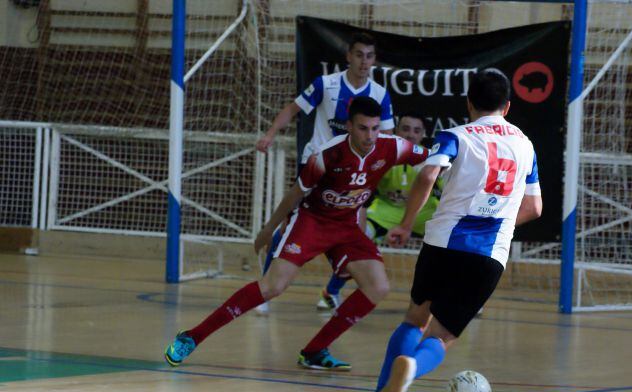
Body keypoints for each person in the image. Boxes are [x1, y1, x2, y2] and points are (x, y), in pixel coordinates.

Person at [164, 97, 428, 371]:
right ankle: (192, 336)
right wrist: (268, 228)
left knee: (378, 286)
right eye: (363, 128)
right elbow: (295, 193)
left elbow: (435, 156)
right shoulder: (327, 155)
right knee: (272, 287)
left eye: (375, 129)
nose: (370, 136)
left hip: (347, 226)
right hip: (312, 221)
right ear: (349, 126)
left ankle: (314, 351)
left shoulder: (393, 147)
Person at [365, 70, 543, 392]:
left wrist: (403, 224)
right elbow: (535, 208)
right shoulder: (525, 145)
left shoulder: (455, 136)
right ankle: (413, 368)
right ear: (506, 107)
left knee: (415, 319)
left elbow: (428, 176)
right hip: (487, 255)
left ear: (469, 103)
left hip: (442, 244)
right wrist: (503, 224)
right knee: (442, 336)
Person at [254, 31, 395, 313]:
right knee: (289, 227)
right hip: (317, 167)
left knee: (356, 232)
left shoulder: (379, 94)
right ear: (348, 56)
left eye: (369, 56)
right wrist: (269, 134)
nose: (364, 62)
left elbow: (387, 137)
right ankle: (265, 289)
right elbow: (293, 109)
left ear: (374, 60)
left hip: (354, 173)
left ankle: (330, 293)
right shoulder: (326, 84)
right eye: (358, 55)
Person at [317, 112, 440, 309]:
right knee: (358, 238)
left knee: (453, 241)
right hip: (385, 211)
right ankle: (330, 293)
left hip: (421, 213)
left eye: (416, 131)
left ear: (423, 135)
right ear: (396, 130)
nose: (410, 135)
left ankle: (464, 299)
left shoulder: (432, 160)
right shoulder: (383, 154)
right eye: (406, 129)